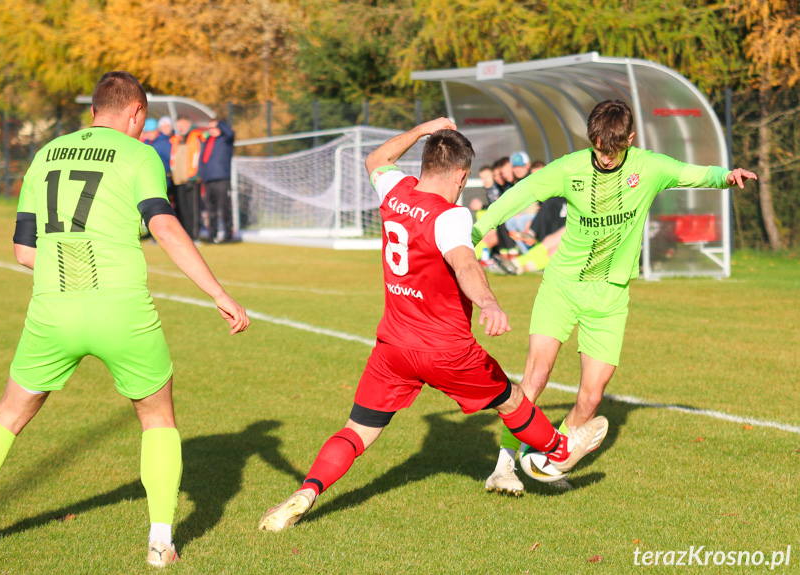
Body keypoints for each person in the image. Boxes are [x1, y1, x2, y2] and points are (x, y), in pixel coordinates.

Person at [0, 71, 251, 566]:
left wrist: (71, 264)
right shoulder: (139, 154)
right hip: (120, 310)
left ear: (92, 113)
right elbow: (163, 225)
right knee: (157, 418)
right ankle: (160, 542)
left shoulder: (45, 155)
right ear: (136, 114)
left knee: (8, 414)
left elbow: (23, 250)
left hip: (53, 308)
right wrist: (218, 292)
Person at [257, 119, 609, 533]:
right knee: (511, 398)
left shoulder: (395, 191)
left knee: (357, 431)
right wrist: (490, 302)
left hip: (392, 348)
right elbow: (464, 262)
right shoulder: (451, 217)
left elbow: (377, 158)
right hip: (447, 350)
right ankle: (561, 448)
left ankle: (309, 490)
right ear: (461, 176)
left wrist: (424, 128)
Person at [475, 100, 757, 495]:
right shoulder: (570, 168)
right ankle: (504, 467)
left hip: (609, 297)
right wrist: (476, 231)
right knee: (536, 376)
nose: (606, 158)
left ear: (630, 140)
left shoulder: (649, 167)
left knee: (591, 397)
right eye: (598, 149)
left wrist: (726, 175)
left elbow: (689, 173)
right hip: (562, 286)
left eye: (614, 150)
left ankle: (547, 462)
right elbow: (517, 195)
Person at [198, 118, 236, 243]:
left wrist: (219, 123)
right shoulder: (208, 141)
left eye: (213, 127)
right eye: (209, 128)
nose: (211, 130)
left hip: (221, 179)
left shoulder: (225, 140)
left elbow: (231, 133)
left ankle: (228, 235)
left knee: (224, 208)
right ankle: (212, 235)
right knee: (211, 210)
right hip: (208, 180)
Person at [170, 116, 204, 239]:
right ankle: (186, 236)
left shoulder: (195, 137)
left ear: (189, 123)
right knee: (182, 209)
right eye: (178, 125)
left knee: (193, 209)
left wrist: (195, 175)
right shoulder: (176, 139)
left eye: (182, 124)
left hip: (191, 178)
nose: (180, 127)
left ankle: (194, 235)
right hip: (178, 179)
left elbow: (197, 156)